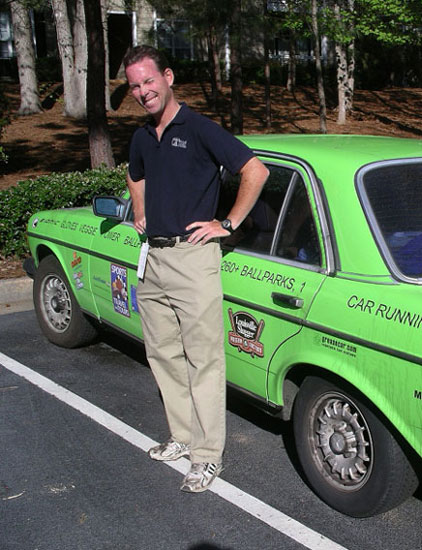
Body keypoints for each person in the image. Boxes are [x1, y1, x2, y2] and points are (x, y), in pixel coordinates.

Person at [123, 45, 269, 493]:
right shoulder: (143, 136)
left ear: (167, 77)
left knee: (203, 360)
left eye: (149, 81)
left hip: (192, 258)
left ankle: (207, 457)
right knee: (163, 354)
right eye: (135, 86)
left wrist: (226, 223)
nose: (143, 91)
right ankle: (182, 438)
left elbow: (255, 171)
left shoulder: (201, 128)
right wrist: (141, 212)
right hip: (153, 257)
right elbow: (134, 174)